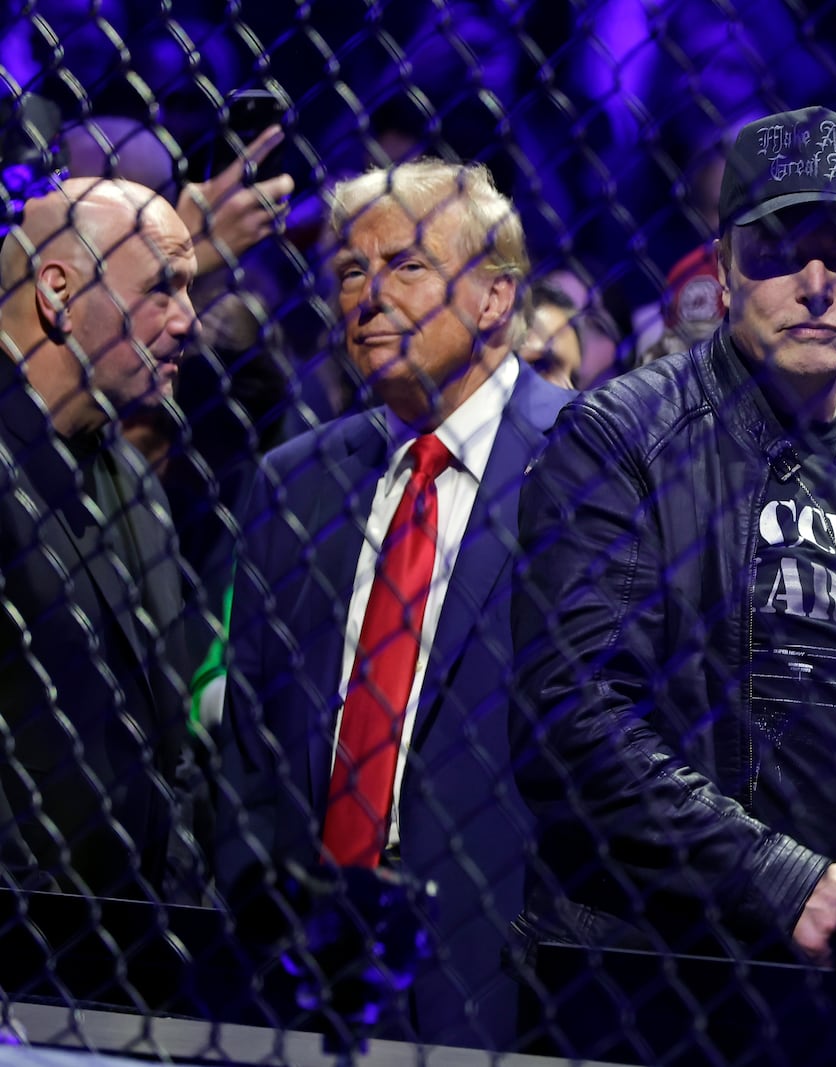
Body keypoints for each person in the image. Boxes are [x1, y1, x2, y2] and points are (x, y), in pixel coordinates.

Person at [512, 107, 836, 965]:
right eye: (777, 247)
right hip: (653, 971)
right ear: (724, 268)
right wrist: (781, 880)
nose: (814, 280)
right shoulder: (620, 438)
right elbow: (571, 722)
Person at [215, 159, 572, 1049]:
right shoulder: (292, 481)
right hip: (301, 958)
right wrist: (262, 899)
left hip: (505, 964)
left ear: (495, 298)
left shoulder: (590, 467)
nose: (366, 296)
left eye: (406, 265)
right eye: (347, 271)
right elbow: (248, 743)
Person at [0, 177, 202, 899]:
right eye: (161, 288)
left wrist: (170, 922)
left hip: (124, 958)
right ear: (56, 294)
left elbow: (171, 751)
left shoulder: (136, 486)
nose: (188, 321)